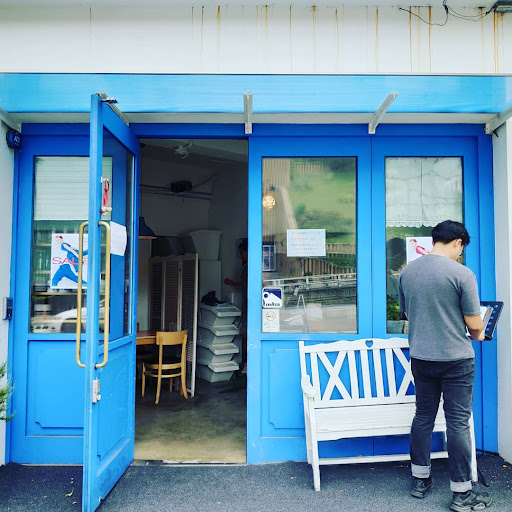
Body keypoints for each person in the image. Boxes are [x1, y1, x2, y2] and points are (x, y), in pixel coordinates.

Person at [398, 220, 492, 512]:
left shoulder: (407, 272)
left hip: (422, 358)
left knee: (423, 417)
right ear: (458, 243)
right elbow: (474, 323)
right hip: (456, 360)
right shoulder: (462, 274)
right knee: (458, 422)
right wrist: (479, 333)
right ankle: (462, 494)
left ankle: (420, 480)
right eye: (461, 248)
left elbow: (406, 313)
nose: (460, 253)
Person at [224, 239, 248, 374]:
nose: (241, 255)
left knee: (246, 335)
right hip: (246, 304)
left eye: (242, 252)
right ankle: (247, 363)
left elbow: (246, 285)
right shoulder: (246, 266)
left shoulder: (250, 267)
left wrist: (232, 284)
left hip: (250, 306)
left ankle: (247, 364)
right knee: (245, 334)